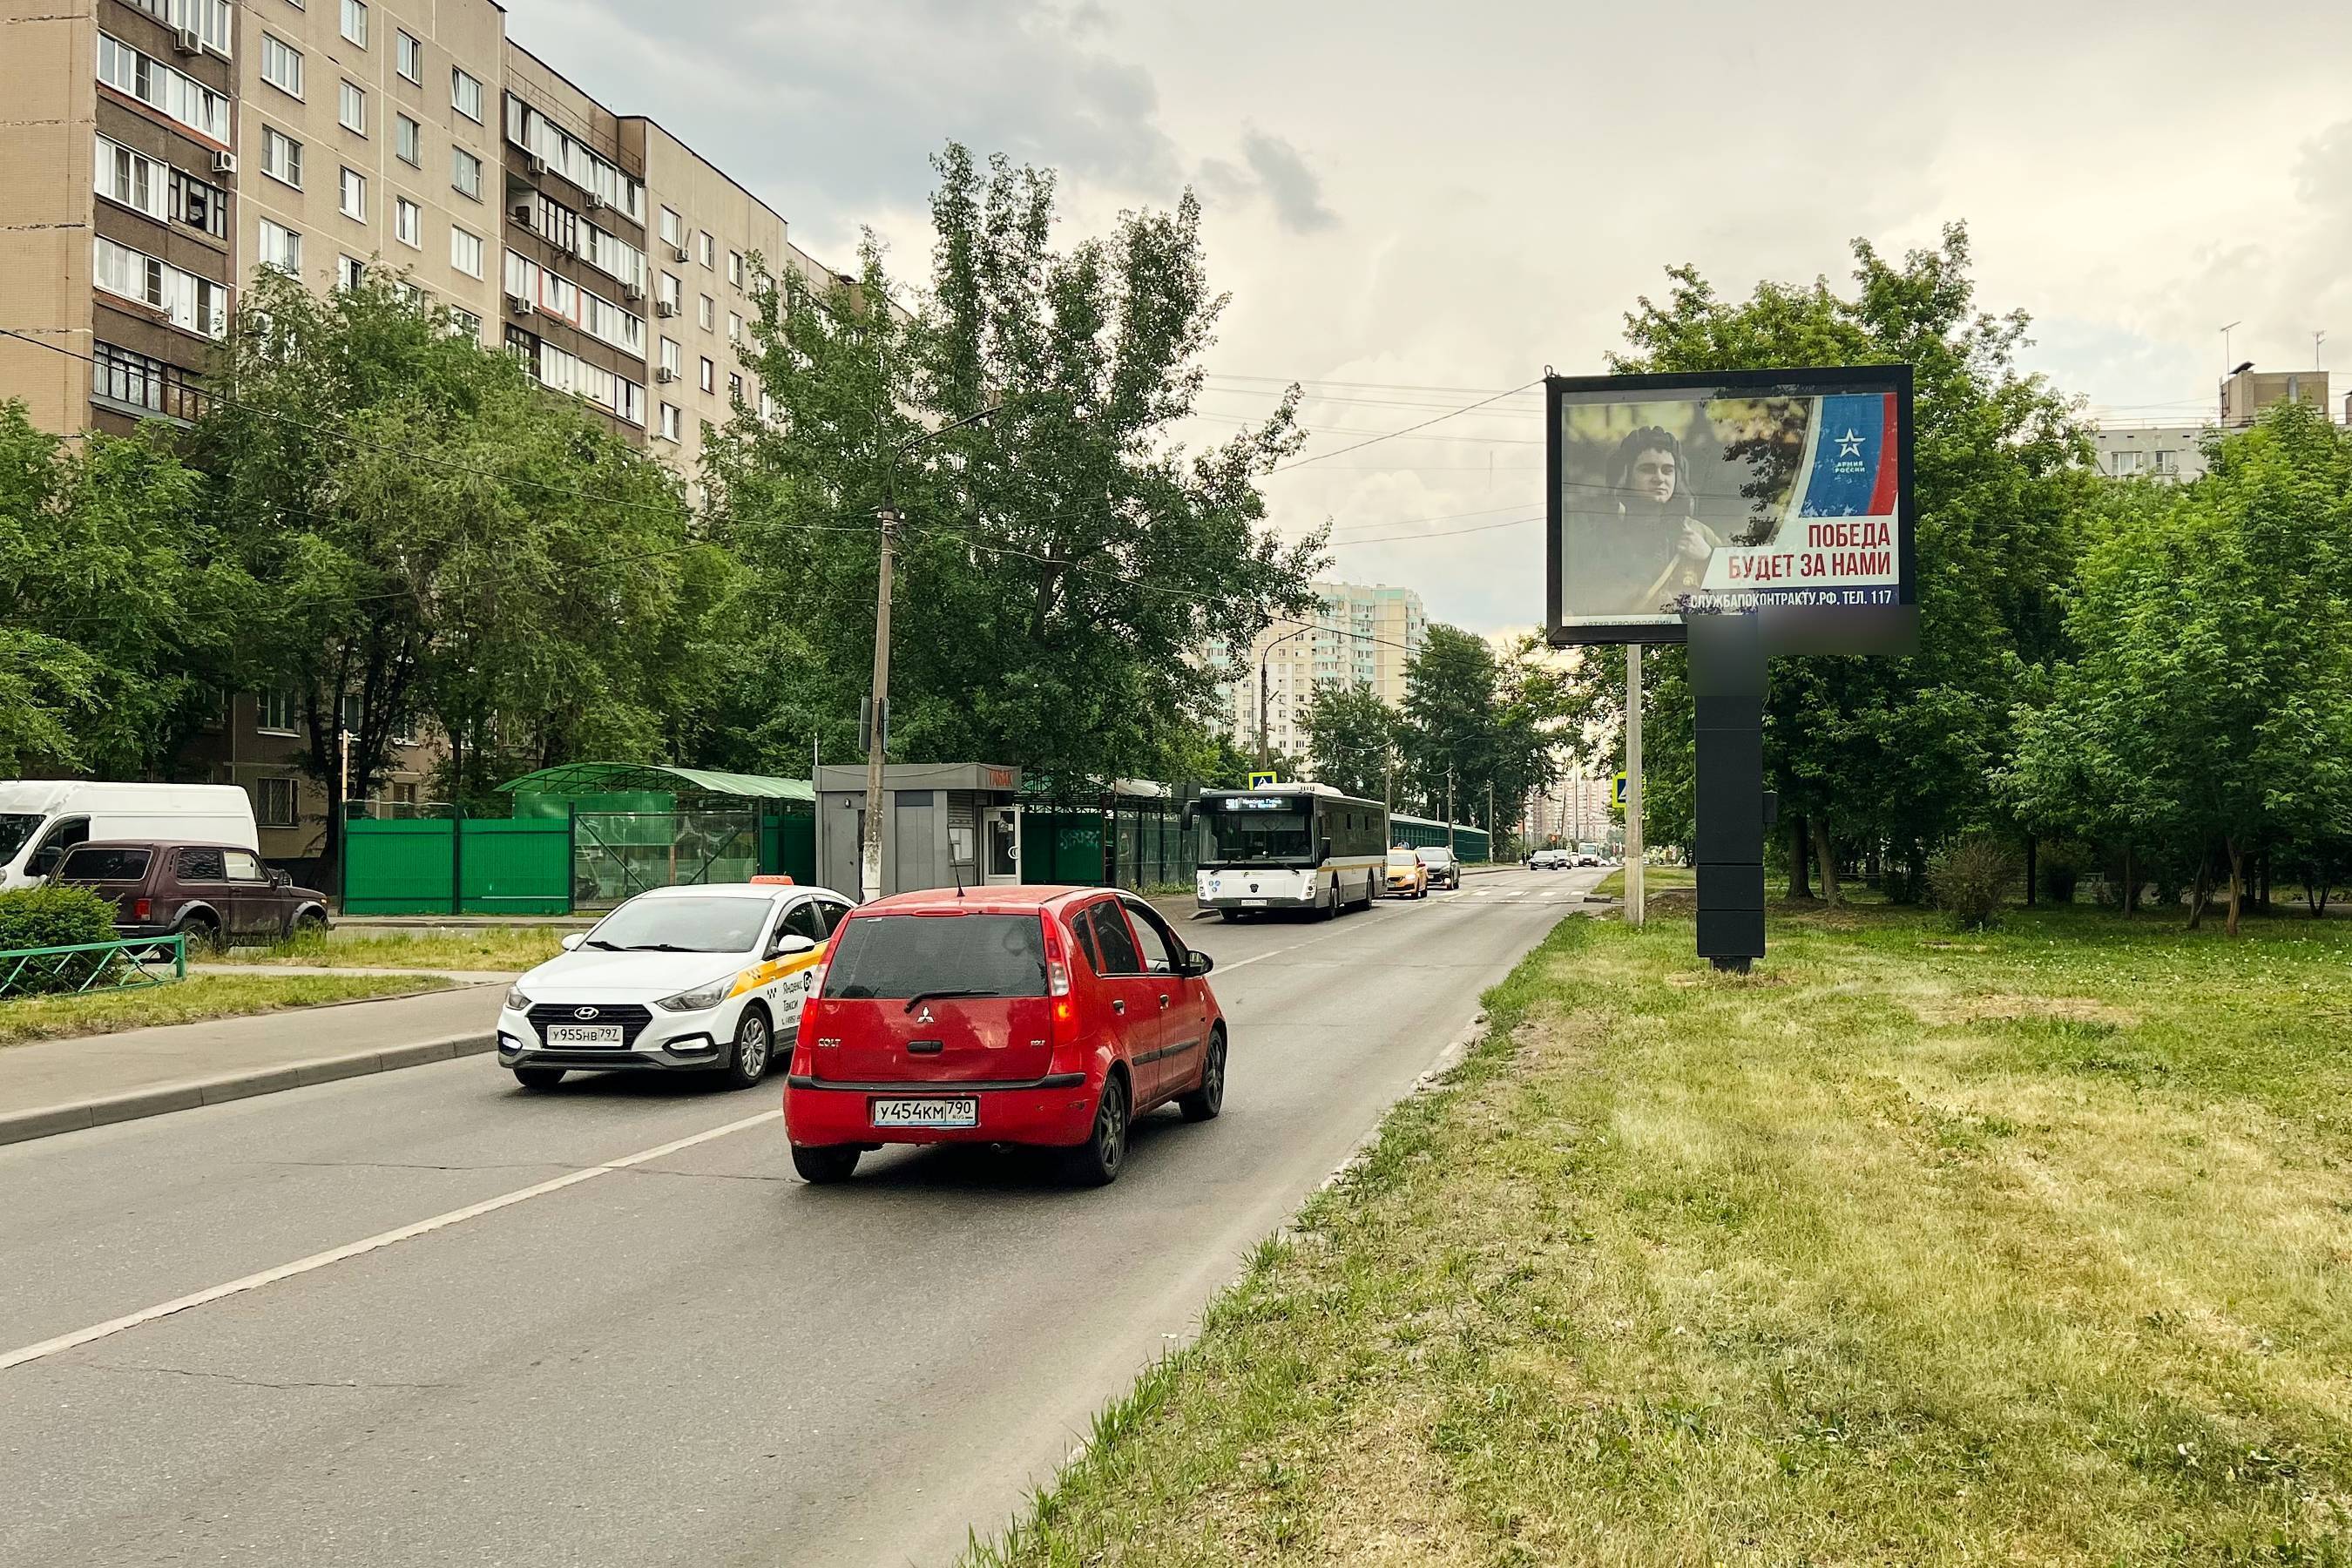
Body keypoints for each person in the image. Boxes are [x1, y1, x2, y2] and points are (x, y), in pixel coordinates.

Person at [1569, 423, 1725, 615]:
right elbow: (1583, 601)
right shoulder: (1602, 537)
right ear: (1626, 477)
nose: (1659, 478)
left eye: (1668, 470)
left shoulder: (1699, 533)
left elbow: (1740, 596)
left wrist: (1707, 557)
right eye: (1647, 469)